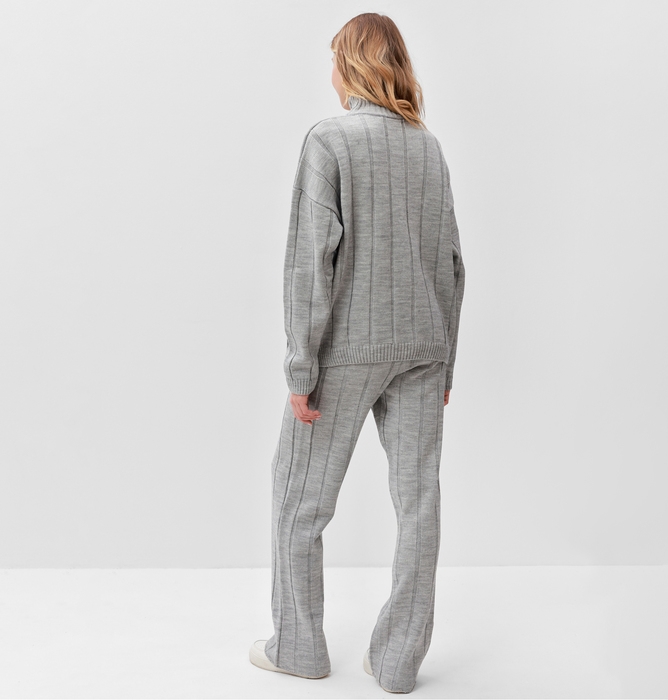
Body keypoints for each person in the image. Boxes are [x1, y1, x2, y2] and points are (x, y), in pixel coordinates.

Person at [249, 12, 465, 695]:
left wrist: (300, 368)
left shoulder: (330, 140)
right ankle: (398, 662)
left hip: (347, 352)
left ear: (349, 65)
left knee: (299, 499)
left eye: (335, 60)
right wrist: (446, 360)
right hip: (423, 348)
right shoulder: (428, 147)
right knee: (418, 506)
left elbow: (309, 266)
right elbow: (452, 262)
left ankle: (299, 647)